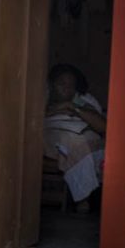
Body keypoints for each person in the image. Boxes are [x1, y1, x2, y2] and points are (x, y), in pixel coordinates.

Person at [43, 64, 106, 213]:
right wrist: (56, 109)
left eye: (71, 85)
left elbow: (103, 126)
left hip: (79, 131)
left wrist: (72, 107)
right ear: (52, 85)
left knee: (91, 140)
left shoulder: (79, 101)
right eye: (62, 84)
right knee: (73, 142)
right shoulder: (43, 99)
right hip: (55, 134)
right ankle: (83, 202)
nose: (67, 88)